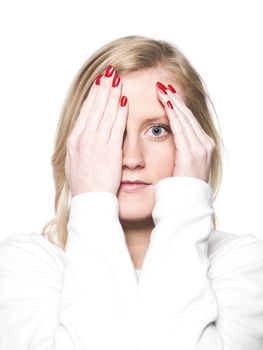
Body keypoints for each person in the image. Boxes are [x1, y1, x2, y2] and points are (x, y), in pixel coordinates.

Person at [0, 35, 263, 350]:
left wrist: (186, 204)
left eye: (157, 130)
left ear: (196, 141)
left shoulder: (244, 263)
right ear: (77, 144)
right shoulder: (23, 266)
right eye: (110, 131)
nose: (132, 159)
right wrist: (93, 203)